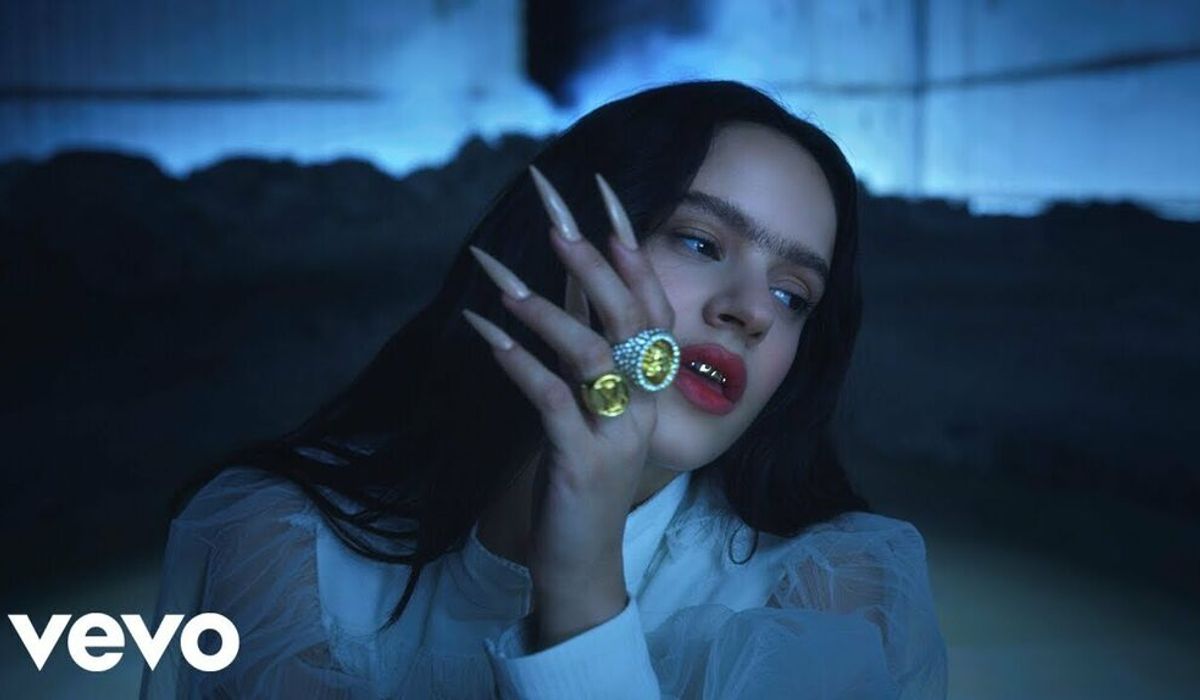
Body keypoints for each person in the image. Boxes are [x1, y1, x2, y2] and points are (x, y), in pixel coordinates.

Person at [142, 80, 948, 699]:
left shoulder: (829, 591)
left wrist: (585, 586)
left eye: (792, 294)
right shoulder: (278, 541)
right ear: (563, 246)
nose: (750, 312)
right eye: (701, 242)